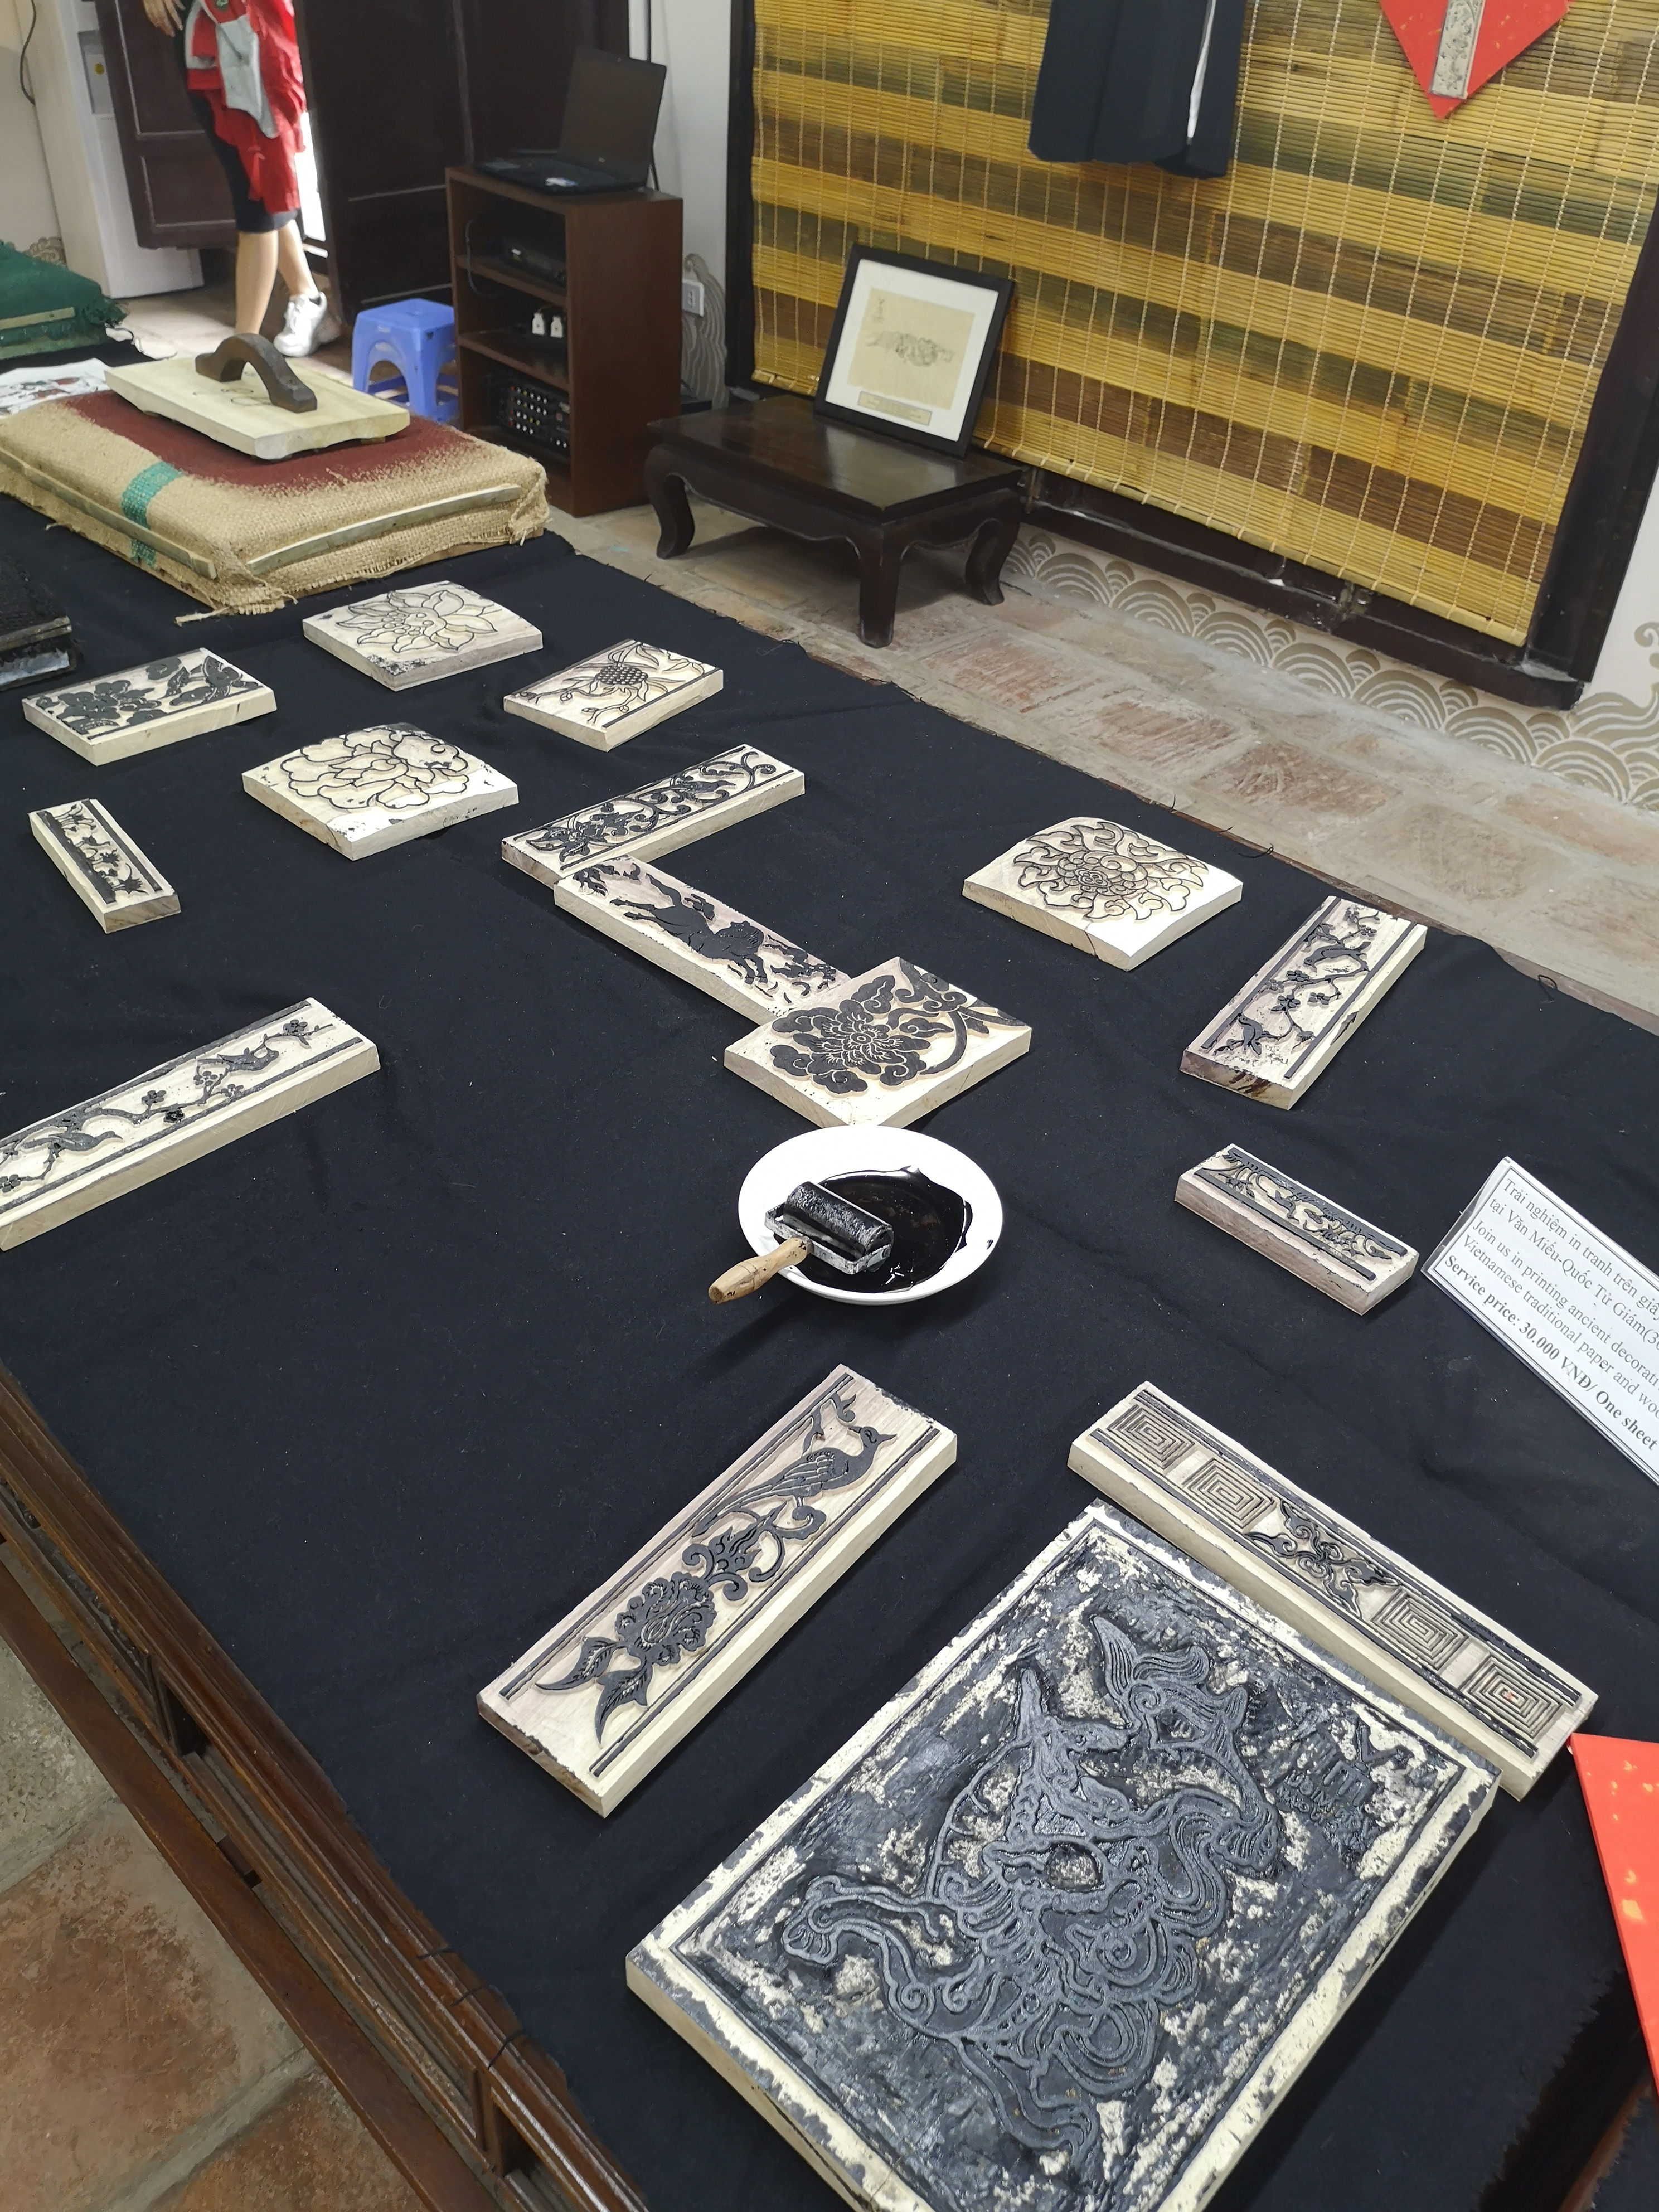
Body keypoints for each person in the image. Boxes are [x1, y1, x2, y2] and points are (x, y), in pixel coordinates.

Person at [140, 0, 341, 356]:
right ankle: (307, 298)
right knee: (253, 181)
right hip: (200, 27)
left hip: (247, 26)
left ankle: (240, 349)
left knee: (257, 189)